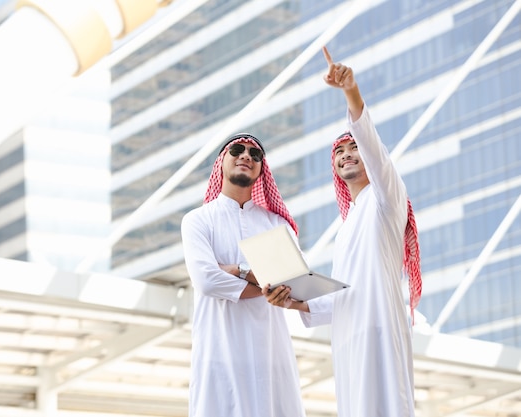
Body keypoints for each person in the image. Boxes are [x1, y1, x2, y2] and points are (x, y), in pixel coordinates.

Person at [263, 46, 422, 416]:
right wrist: (292, 297)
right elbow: (339, 299)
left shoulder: (386, 199)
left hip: (381, 331)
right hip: (349, 338)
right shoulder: (347, 224)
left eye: (355, 148)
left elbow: (376, 153)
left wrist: (352, 93)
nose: (348, 154)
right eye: (340, 152)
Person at [180, 133, 306, 417]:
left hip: (271, 355)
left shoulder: (277, 224)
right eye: (237, 150)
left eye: (255, 154)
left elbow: (294, 282)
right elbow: (207, 281)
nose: (246, 156)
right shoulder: (197, 220)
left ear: (262, 168)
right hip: (220, 350)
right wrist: (265, 282)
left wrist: (235, 270)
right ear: (221, 162)